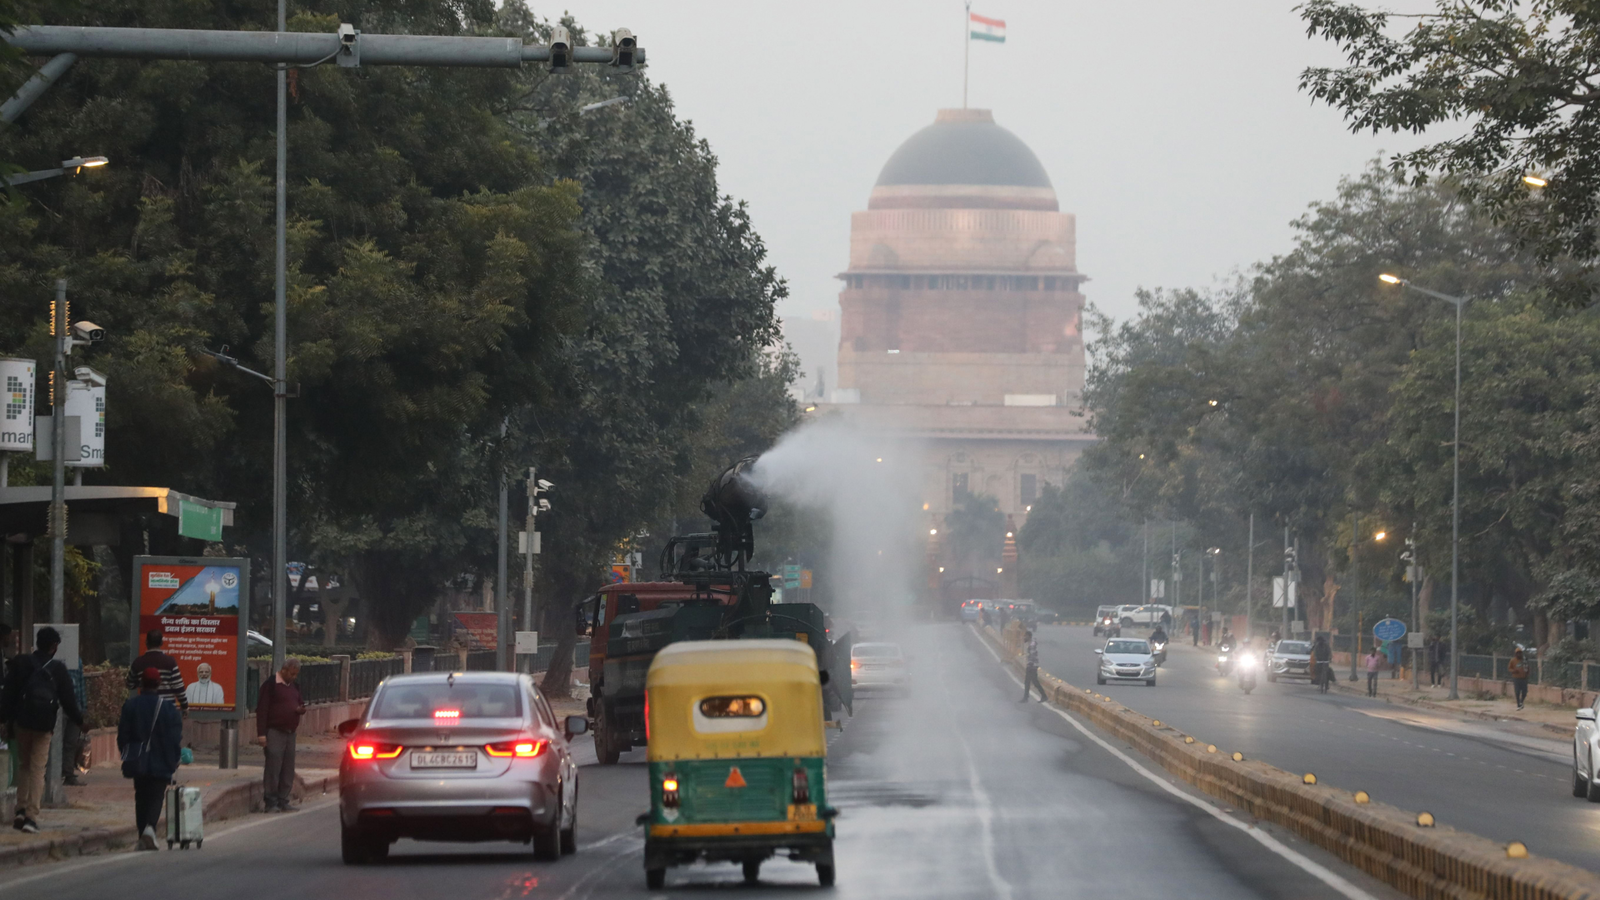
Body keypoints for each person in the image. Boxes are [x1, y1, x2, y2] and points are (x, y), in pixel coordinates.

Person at [0, 627, 87, 834]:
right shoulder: (58, 669)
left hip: (22, 724)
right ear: (54, 646)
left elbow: (8, 694)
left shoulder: (21, 662)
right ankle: (31, 816)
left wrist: (4, 721)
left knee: (24, 764)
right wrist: (80, 721)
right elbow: (68, 701)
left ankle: (20, 809)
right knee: (39, 768)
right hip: (44, 726)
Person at [118, 666, 182, 851]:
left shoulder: (131, 705)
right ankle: (150, 829)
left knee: (141, 796)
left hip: (138, 760)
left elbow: (123, 736)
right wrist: (175, 758)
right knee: (156, 796)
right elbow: (174, 737)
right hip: (162, 759)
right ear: (159, 684)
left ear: (141, 684)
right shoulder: (168, 708)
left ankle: (142, 834)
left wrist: (128, 754)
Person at [256, 658, 306, 812]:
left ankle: (283, 799)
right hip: (275, 732)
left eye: (296, 674)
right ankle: (270, 801)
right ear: (284, 670)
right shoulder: (271, 685)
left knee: (287, 768)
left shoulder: (294, 686)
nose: (293, 677)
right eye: (292, 673)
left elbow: (300, 702)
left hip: (290, 733)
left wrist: (299, 709)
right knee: (273, 767)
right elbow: (262, 709)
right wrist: (262, 734)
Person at [127, 630, 187, 713]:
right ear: (161, 643)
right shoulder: (170, 662)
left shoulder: (138, 662)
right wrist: (184, 706)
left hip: (145, 708)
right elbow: (178, 687)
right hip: (167, 708)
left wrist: (141, 681)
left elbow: (130, 684)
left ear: (146, 642)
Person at [1019, 631, 1046, 703]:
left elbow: (1033, 655)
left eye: (1025, 636)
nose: (1024, 638)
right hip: (1032, 665)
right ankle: (1026, 697)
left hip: (1032, 665)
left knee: (1032, 682)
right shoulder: (1030, 644)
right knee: (1030, 681)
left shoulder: (1032, 645)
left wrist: (1030, 665)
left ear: (1028, 636)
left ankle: (1043, 696)